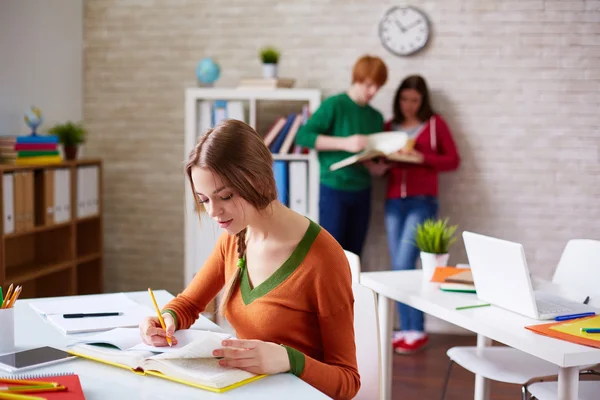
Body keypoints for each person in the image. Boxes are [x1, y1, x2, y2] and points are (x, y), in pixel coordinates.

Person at [139, 119, 360, 400]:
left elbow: (347, 382)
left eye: (225, 196)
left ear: (257, 179)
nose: (213, 212)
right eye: (204, 200)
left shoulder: (324, 260)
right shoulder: (234, 238)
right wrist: (165, 319)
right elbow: (189, 304)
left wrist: (288, 359)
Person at [383, 75, 460, 354]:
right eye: (404, 99)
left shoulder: (435, 124)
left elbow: (452, 160)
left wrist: (421, 159)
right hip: (393, 201)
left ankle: (416, 329)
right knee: (398, 267)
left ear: (423, 100)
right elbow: (383, 161)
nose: (409, 105)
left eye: (415, 100)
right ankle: (407, 328)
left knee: (404, 262)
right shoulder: (389, 126)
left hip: (422, 202)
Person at [295, 55, 388, 257]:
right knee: (331, 253)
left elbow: (366, 155)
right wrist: (345, 143)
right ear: (357, 78)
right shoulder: (335, 105)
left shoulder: (375, 116)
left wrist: (373, 167)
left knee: (354, 255)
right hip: (334, 189)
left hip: (363, 190)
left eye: (377, 87)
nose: (373, 92)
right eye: (369, 85)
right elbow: (303, 136)